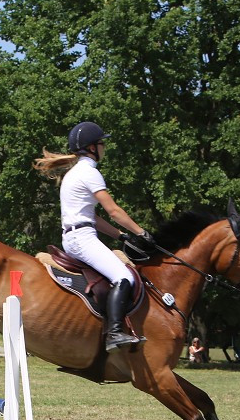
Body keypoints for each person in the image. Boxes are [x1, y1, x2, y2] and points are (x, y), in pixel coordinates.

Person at [34, 121, 156, 353]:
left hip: (75, 236)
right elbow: (113, 211)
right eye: (102, 143)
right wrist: (141, 232)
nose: (104, 147)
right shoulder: (90, 173)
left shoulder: (73, 173)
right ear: (92, 147)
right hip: (82, 239)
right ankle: (115, 333)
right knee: (124, 277)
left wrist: (121, 236)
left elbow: (94, 217)